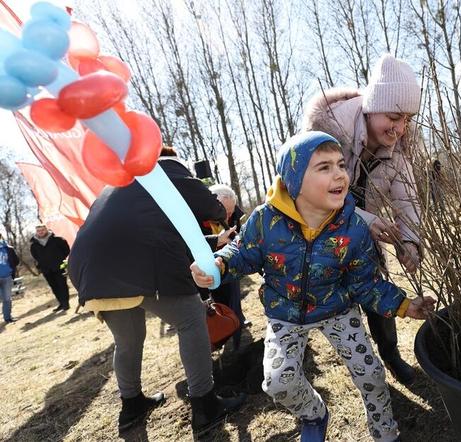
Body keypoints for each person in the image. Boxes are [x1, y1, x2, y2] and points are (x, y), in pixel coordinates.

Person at [190, 132, 435, 442]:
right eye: (324, 167)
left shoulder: (353, 228)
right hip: (286, 315)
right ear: (294, 179)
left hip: (338, 308)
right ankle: (313, 413)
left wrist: (403, 305)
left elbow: (366, 283)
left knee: (371, 375)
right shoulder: (265, 221)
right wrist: (218, 266)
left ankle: (386, 432)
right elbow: (241, 253)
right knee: (278, 382)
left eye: (341, 165)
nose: (339, 174)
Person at [68, 147, 245, 437]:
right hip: (136, 258)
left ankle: (132, 403)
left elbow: (160, 230)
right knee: (191, 319)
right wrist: (219, 210)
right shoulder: (161, 167)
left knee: (128, 339)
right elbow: (208, 206)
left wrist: (213, 240)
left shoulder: (120, 184)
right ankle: (205, 404)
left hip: (91, 267)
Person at [302, 53, 423, 385]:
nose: (399, 129)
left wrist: (410, 241)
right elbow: (317, 196)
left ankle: (391, 355)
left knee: (378, 291)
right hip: (321, 232)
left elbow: (406, 197)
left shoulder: (396, 150)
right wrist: (367, 220)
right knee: (341, 311)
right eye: (393, 117)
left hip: (363, 235)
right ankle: (364, 370)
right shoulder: (327, 135)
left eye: (407, 120)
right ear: (372, 107)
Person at [207, 183, 250, 349]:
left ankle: (237, 328)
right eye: (226, 212)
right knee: (217, 303)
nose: (228, 216)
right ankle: (222, 332)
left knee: (233, 298)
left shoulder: (234, 216)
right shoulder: (199, 216)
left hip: (230, 265)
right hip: (208, 267)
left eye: (231, 212)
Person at [30, 224, 70, 311]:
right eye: (38, 231)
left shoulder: (57, 240)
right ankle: (61, 303)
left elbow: (66, 250)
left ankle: (65, 303)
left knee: (62, 285)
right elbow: (35, 256)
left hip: (58, 267)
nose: (40, 232)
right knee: (54, 286)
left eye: (42, 230)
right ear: (36, 232)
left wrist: (60, 259)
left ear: (46, 230)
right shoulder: (34, 244)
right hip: (46, 269)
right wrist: (40, 265)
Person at [0, 233, 19, 323]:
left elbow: (16, 261)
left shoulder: (8, 248)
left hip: (7, 277)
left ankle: (8, 318)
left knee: (7, 298)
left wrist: (10, 269)